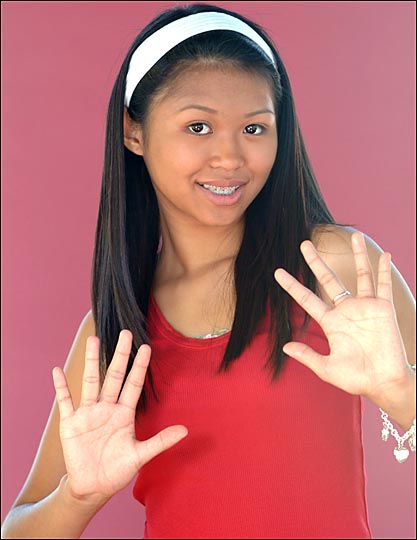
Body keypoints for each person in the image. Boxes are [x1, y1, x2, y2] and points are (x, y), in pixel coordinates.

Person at [2, 3, 415, 539]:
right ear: (133, 132)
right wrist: (79, 497)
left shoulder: (333, 269)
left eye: (254, 128)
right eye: (198, 126)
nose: (230, 157)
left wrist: (401, 391)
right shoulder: (115, 333)